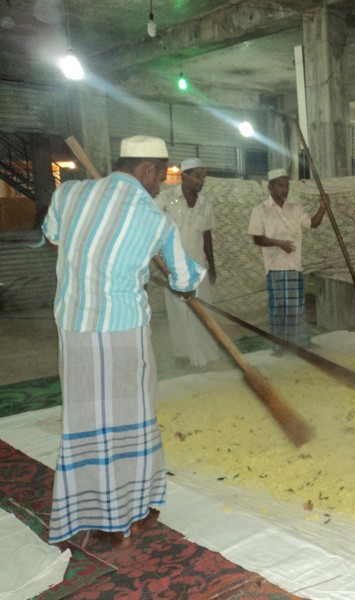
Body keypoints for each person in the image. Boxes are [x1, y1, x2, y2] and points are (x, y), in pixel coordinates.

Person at [41, 135, 206, 549]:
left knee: (85, 422)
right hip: (122, 332)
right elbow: (185, 279)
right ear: (147, 169)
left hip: (74, 328)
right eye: (160, 175)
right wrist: (180, 284)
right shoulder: (155, 220)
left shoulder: (68, 193)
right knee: (130, 422)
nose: (159, 185)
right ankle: (127, 515)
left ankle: (89, 513)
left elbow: (53, 238)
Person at [247, 168, 328, 350]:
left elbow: (312, 223)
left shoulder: (295, 208)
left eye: (287, 185)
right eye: (280, 185)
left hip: (294, 265)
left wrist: (322, 208)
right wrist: (279, 243)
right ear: (270, 188)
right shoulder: (260, 210)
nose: (284, 189)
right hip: (275, 266)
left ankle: (300, 343)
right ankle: (280, 347)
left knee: (297, 307)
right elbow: (257, 238)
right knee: (279, 309)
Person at [156, 157, 220, 369]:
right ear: (185, 176)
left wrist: (212, 266)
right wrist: (161, 263)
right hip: (173, 268)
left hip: (198, 267)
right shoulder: (165, 199)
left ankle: (206, 356)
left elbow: (207, 236)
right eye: (198, 176)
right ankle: (182, 355)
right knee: (179, 313)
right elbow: (153, 229)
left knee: (203, 312)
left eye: (203, 177)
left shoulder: (205, 204)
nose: (202, 181)